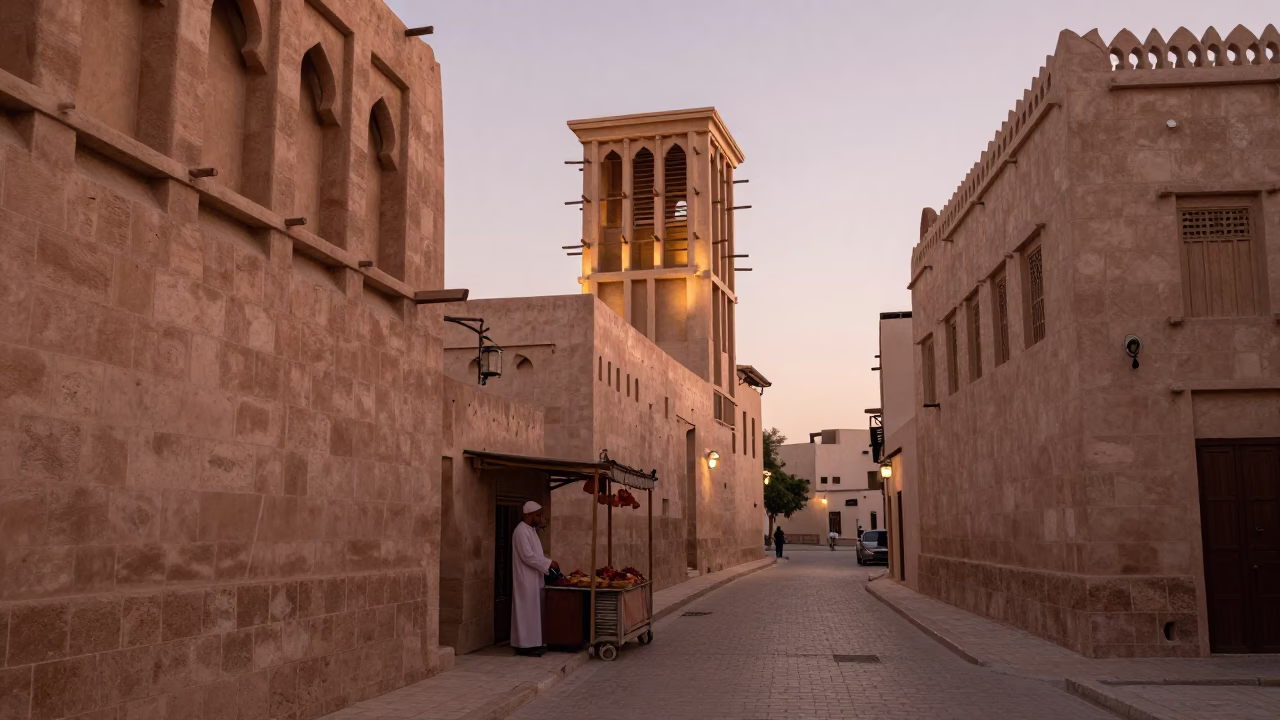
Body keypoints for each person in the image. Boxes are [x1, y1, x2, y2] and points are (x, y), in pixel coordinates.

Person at [512, 501, 557, 657]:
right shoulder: (520, 531)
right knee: (525, 611)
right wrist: (548, 563)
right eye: (537, 515)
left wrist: (547, 563)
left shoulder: (531, 531)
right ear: (528, 515)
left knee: (533, 611)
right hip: (525, 579)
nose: (540, 518)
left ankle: (533, 643)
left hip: (535, 577)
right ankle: (523, 645)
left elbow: (537, 555)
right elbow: (527, 556)